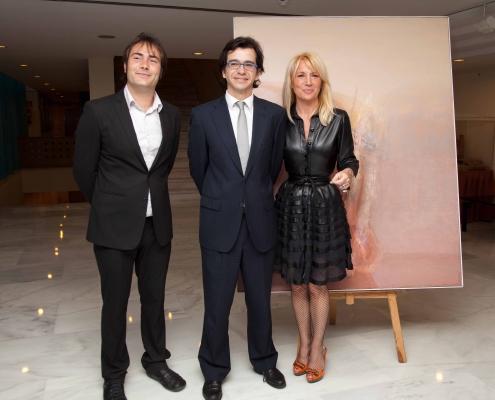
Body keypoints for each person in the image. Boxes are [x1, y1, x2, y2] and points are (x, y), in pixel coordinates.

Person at [73, 33, 185, 400]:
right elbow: (83, 170)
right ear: (125, 66)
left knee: (154, 299)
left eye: (153, 59)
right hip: (113, 226)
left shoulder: (171, 114)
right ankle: (114, 373)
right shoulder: (99, 110)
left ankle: (156, 361)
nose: (144, 64)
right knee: (115, 302)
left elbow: (162, 168)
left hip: (158, 225)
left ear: (160, 70)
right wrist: (111, 203)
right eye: (137, 57)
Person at [188, 36, 287, 400]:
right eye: (234, 63)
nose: (241, 70)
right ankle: (213, 371)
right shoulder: (202, 116)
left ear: (258, 72)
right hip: (219, 221)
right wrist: (224, 198)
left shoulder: (275, 116)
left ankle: (265, 360)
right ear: (223, 70)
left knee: (260, 299)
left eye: (249, 64)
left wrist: (251, 196)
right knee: (217, 302)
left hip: (260, 221)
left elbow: (273, 167)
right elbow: (199, 169)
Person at [274, 52, 359, 384]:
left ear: (321, 81)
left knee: (317, 282)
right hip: (291, 204)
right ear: (291, 82)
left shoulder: (338, 118)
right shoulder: (278, 120)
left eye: (313, 76)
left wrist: (348, 173)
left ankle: (317, 347)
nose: (307, 82)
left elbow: (350, 158)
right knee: (297, 282)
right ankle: (305, 343)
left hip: (325, 205)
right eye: (300, 76)